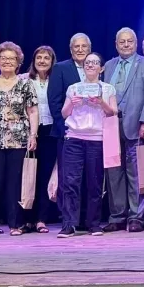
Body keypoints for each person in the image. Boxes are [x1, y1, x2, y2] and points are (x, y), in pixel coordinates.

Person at [103, 28, 144, 233]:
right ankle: (118, 216)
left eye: (130, 41)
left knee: (137, 173)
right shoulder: (109, 65)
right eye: (122, 42)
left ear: (136, 43)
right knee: (114, 173)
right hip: (111, 125)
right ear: (116, 44)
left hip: (137, 125)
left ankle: (137, 217)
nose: (126, 45)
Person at [0, 42, 38, 237]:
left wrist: (33, 135)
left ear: (18, 62)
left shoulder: (25, 84)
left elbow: (32, 111)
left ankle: (15, 223)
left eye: (11, 59)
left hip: (18, 139)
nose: (7, 62)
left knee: (15, 182)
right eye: (3, 58)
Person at [58, 52, 118, 238]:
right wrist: (72, 103)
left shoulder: (107, 89)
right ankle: (69, 224)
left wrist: (101, 102)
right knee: (70, 182)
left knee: (94, 183)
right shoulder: (74, 88)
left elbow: (113, 112)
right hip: (74, 138)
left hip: (97, 139)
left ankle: (94, 224)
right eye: (87, 63)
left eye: (94, 63)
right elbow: (64, 113)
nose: (90, 65)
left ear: (101, 68)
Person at [47, 33, 91, 228]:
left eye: (83, 46)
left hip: (92, 133)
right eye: (76, 46)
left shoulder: (96, 67)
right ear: (71, 49)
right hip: (68, 133)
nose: (80, 49)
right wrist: (64, 127)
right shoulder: (60, 68)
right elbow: (54, 101)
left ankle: (86, 219)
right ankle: (69, 220)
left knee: (89, 177)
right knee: (68, 178)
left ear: (89, 49)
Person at [24, 46, 58, 233]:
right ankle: (26, 219)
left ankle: (41, 219)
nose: (42, 61)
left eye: (46, 58)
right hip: (29, 133)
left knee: (45, 175)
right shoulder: (24, 80)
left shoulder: (56, 80)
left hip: (50, 131)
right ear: (34, 60)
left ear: (52, 61)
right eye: (39, 57)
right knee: (28, 175)